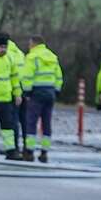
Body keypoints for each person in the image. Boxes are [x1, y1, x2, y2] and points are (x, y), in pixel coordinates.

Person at [20, 35, 63, 163]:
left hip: (36, 93)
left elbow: (27, 76)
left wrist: (26, 92)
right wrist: (56, 90)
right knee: (47, 123)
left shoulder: (32, 57)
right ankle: (44, 153)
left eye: (29, 44)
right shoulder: (52, 56)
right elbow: (59, 76)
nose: (28, 46)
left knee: (31, 122)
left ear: (33, 44)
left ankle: (29, 152)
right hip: (50, 92)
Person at [1, 33, 27, 152]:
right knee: (24, 119)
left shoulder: (5, 53)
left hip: (12, 88)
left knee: (12, 120)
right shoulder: (19, 53)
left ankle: (13, 147)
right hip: (24, 88)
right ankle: (27, 147)